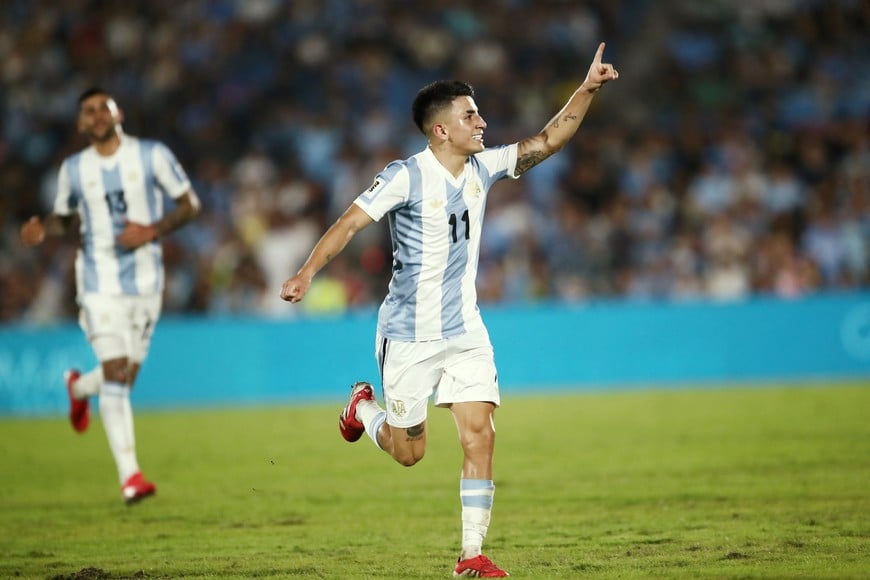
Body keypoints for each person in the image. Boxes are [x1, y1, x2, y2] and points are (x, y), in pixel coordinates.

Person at [281, 43, 618, 577]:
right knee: (408, 452)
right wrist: (306, 273)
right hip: (409, 333)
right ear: (441, 129)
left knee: (479, 433)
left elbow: (548, 140)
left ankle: (471, 555)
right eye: (470, 115)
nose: (481, 122)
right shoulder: (405, 175)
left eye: (478, 112)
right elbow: (348, 223)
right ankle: (362, 410)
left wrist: (588, 88)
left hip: (465, 328)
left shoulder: (483, 168)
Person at [20, 88, 200, 504]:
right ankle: (131, 476)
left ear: (119, 113)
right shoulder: (74, 169)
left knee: (123, 377)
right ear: (81, 123)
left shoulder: (151, 155)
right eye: (89, 111)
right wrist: (44, 229)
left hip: (146, 283)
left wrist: (152, 230)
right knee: (117, 370)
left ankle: (80, 388)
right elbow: (65, 221)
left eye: (104, 107)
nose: (98, 115)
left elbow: (189, 205)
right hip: (98, 283)